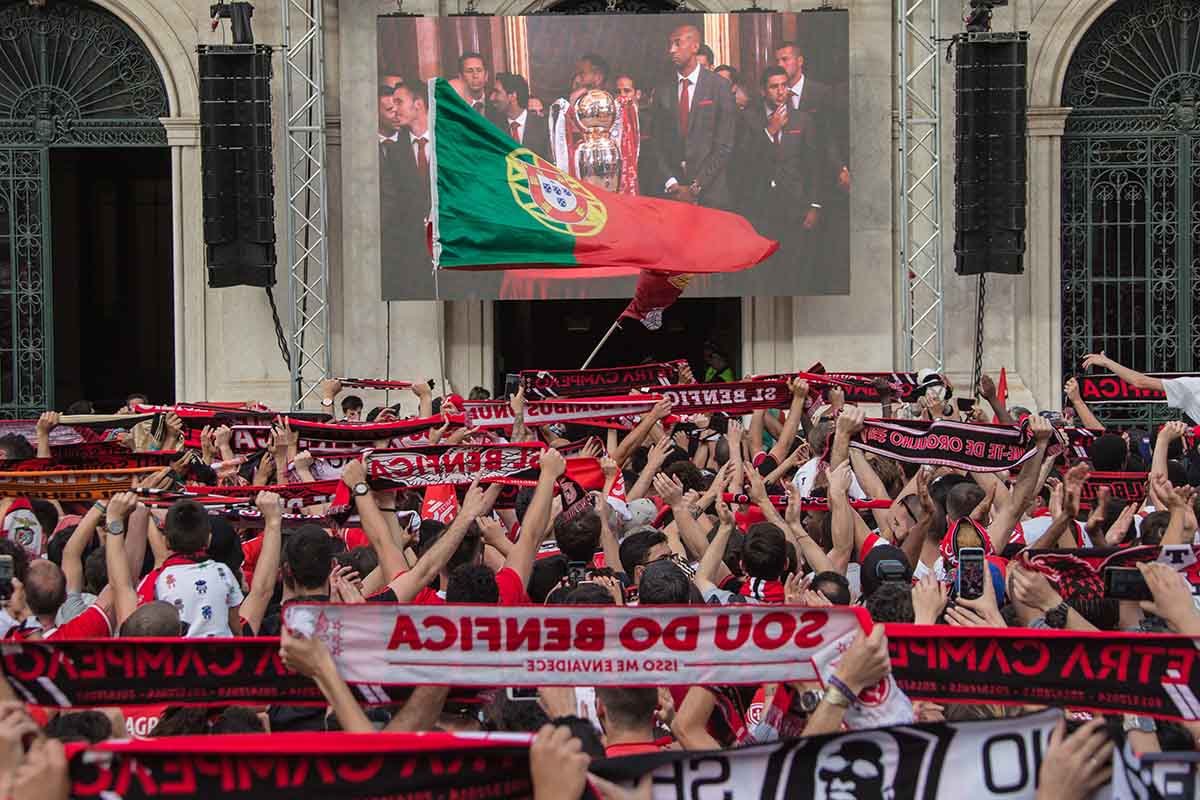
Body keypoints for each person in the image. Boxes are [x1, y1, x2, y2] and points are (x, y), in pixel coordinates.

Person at [651, 24, 736, 210]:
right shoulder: (662, 89)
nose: (671, 50)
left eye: (677, 43)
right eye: (670, 44)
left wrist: (696, 187)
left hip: (711, 193)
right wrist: (671, 182)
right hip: (673, 193)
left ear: (695, 47)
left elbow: (724, 145)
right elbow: (657, 142)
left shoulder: (719, 86)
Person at [489, 72, 550, 160]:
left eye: (497, 92)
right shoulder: (493, 128)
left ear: (513, 96)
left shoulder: (544, 127)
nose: (491, 97)